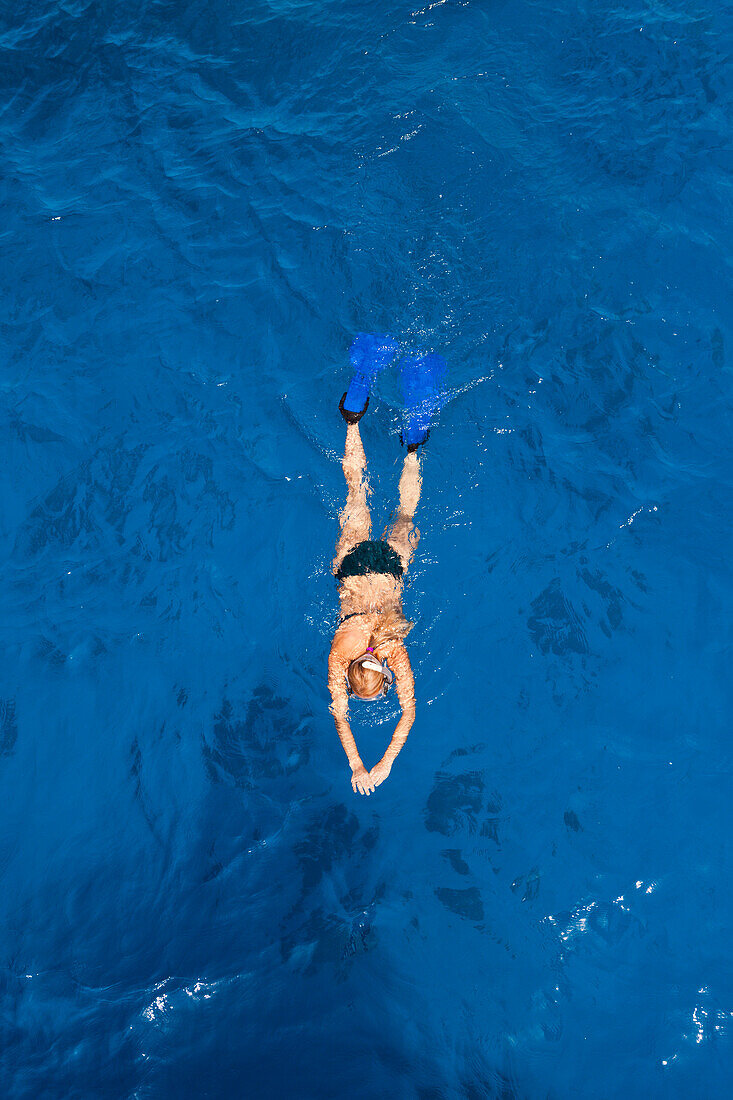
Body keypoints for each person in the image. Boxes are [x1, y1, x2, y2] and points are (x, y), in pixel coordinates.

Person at [327, 395, 424, 796]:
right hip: (352, 567)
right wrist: (358, 763)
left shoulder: (394, 646)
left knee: (405, 514)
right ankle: (352, 421)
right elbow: (340, 716)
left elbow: (410, 712)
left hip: (389, 569)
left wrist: (379, 764)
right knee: (355, 493)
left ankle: (414, 448)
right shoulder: (338, 655)